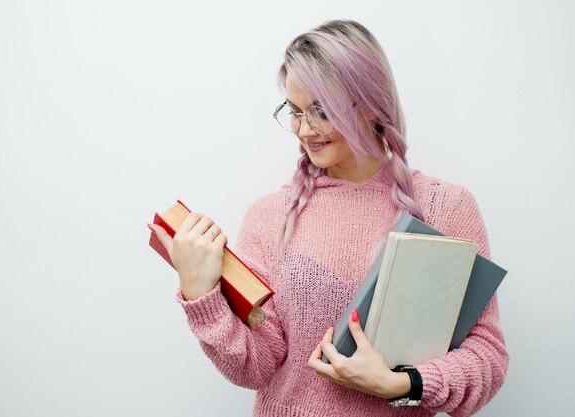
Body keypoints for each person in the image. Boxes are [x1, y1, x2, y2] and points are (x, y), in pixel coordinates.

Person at [148, 19, 508, 417]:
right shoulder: (270, 215)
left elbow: (486, 355)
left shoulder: (446, 206)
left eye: (320, 110)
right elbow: (257, 366)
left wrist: (402, 384)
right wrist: (203, 297)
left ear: (372, 104)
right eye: (295, 110)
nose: (303, 129)